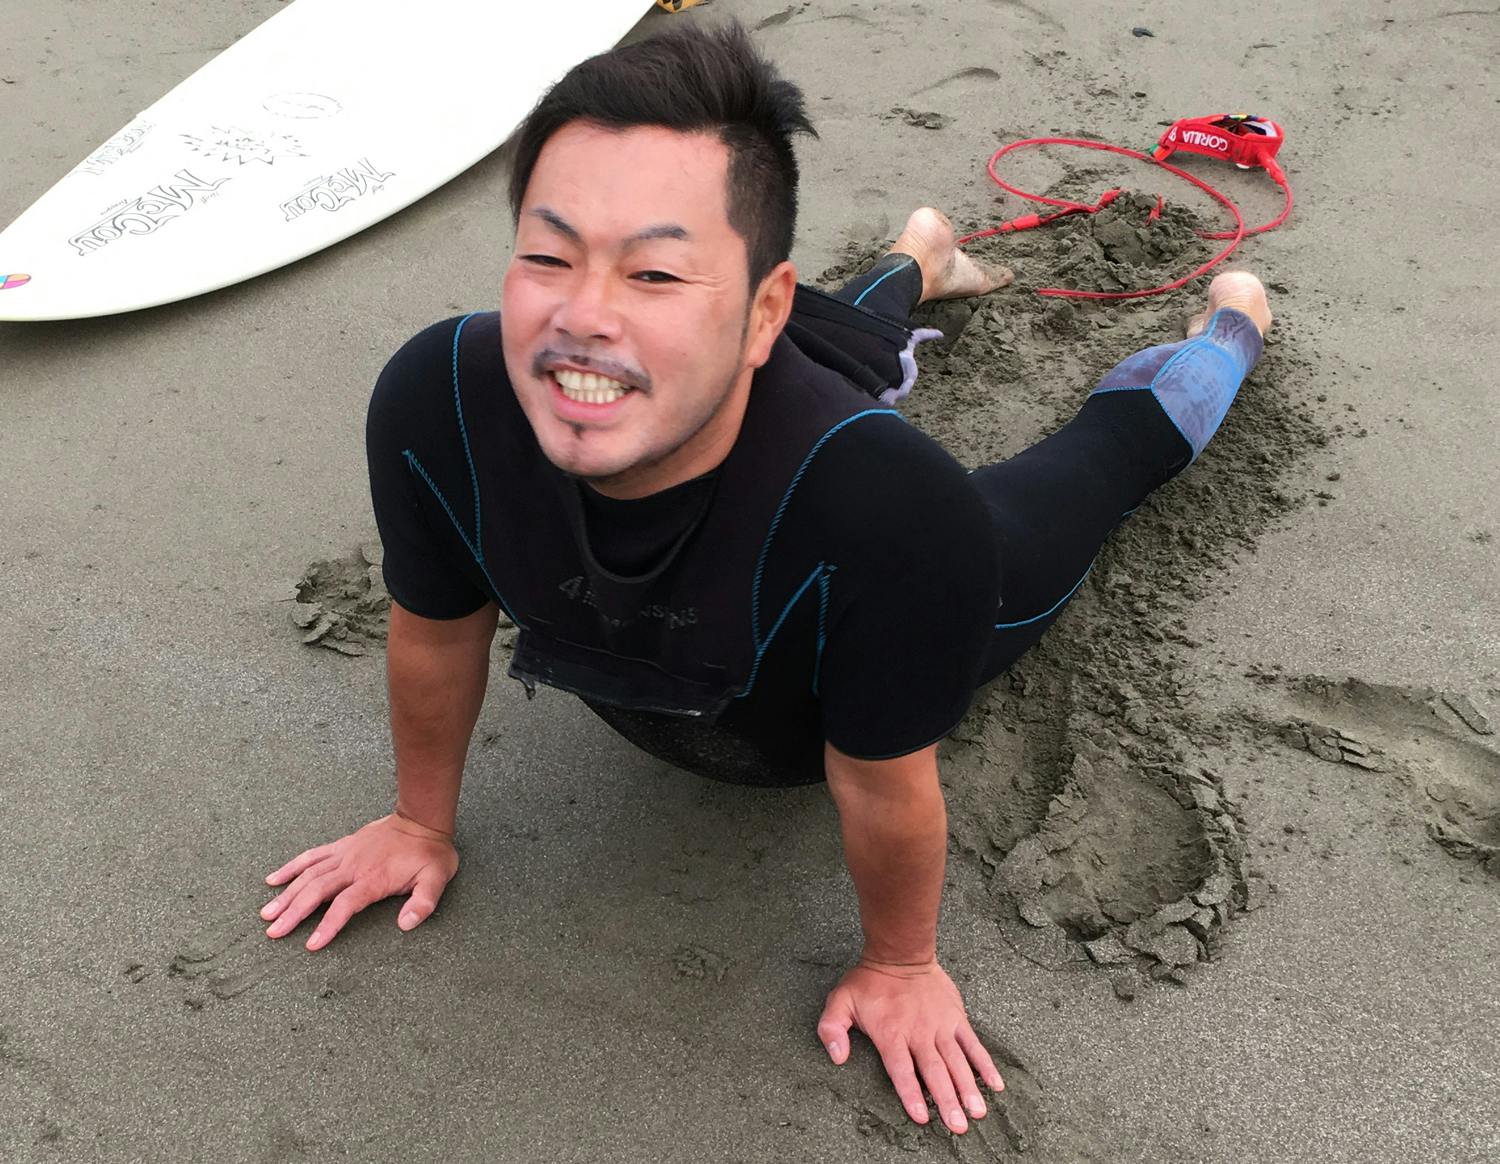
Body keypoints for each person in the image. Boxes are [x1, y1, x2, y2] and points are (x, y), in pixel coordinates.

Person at [260, 22, 1272, 1136]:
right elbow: (435, 627)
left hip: (827, 653)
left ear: (762, 311)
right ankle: (920, 258)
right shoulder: (439, 401)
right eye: (548, 257)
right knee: (763, 360)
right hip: (753, 399)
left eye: (653, 271)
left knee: (1094, 473)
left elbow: (884, 784)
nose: (582, 316)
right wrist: (418, 822)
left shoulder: (896, 514)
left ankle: (1232, 328)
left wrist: (901, 962)